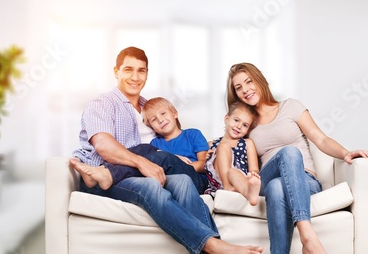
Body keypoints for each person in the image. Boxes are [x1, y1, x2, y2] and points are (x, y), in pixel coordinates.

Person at [71, 47, 263, 254]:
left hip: (151, 171)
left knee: (182, 181)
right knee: (152, 183)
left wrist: (212, 147)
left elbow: (176, 139)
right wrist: (143, 162)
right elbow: (103, 146)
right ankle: (212, 244)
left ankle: (212, 245)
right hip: (111, 177)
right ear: (116, 71)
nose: (135, 77)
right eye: (128, 70)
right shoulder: (103, 103)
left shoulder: (149, 107)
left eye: (141, 71)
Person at [226, 62, 368, 254]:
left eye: (248, 82)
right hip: (267, 175)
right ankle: (308, 237)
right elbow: (229, 143)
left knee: (277, 186)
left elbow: (320, 138)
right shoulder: (246, 123)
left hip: (305, 181)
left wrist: (345, 152)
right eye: (238, 88)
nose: (245, 90)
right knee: (288, 154)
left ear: (259, 80)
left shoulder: (290, 106)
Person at [204, 101, 261, 206]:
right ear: (226, 119)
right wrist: (206, 157)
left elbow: (254, 168)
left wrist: (253, 175)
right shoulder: (211, 144)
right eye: (236, 120)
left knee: (232, 172)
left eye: (245, 125)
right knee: (224, 146)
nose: (239, 126)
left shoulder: (247, 143)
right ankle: (227, 186)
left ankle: (249, 193)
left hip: (237, 181)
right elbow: (204, 167)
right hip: (219, 182)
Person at [142, 97, 209, 174]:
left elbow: (204, 165)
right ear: (152, 128)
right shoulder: (154, 144)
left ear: (174, 113)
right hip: (169, 181)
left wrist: (179, 167)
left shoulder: (193, 134)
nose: (160, 120)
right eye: (154, 120)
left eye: (163, 113)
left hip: (194, 177)